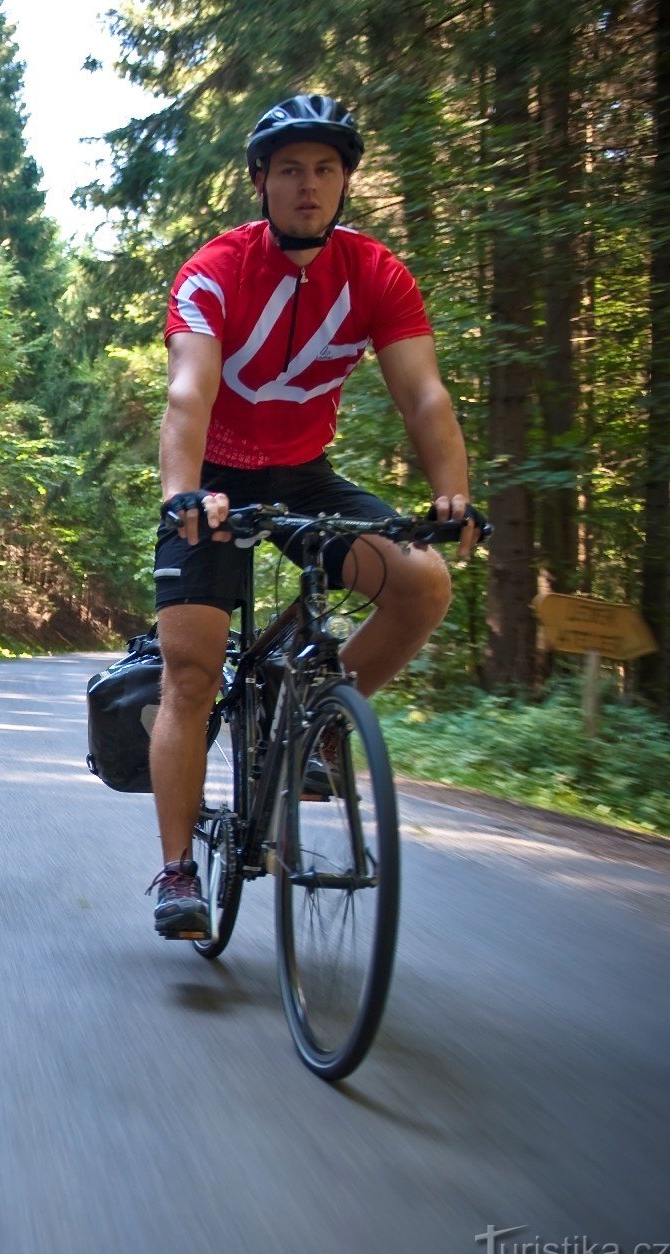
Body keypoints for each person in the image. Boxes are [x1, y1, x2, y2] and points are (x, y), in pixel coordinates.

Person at [147, 94, 479, 938]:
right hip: (213, 479)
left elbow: (423, 393)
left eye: (325, 169)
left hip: (304, 478)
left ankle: (314, 724)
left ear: (344, 183)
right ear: (260, 181)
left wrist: (452, 493)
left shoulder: (377, 273)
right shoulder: (215, 270)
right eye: (290, 168)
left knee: (422, 583)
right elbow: (189, 392)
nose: (308, 185)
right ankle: (178, 871)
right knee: (191, 673)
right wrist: (183, 492)